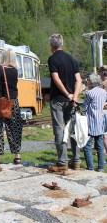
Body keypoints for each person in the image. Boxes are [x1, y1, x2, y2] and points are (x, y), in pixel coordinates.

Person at [47, 34, 82, 172]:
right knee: (72, 130)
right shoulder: (71, 59)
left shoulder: (52, 59)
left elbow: (56, 79)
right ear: (62, 44)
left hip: (58, 99)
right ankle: (77, 161)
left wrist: (67, 94)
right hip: (71, 101)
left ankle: (62, 162)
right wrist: (74, 96)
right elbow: (78, 80)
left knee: (59, 130)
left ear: (52, 46)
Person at [0, 48, 23, 166]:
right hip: (13, 102)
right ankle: (17, 156)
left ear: (2, 57)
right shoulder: (15, 71)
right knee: (15, 128)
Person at [83, 73, 107, 172]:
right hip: (100, 121)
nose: (87, 81)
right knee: (100, 146)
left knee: (87, 146)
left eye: (88, 80)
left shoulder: (89, 93)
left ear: (91, 82)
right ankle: (101, 167)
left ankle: (91, 168)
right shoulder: (103, 92)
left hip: (91, 121)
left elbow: (84, 107)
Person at [98, 66, 107, 155]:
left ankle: (105, 150)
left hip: (104, 110)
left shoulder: (103, 83)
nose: (99, 73)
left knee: (104, 133)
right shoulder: (101, 83)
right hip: (103, 109)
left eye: (100, 71)